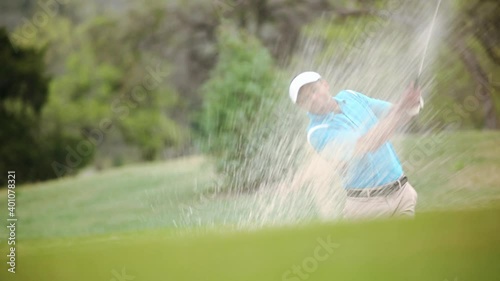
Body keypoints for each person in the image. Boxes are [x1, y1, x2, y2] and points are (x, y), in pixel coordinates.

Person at [289, 71, 423, 220]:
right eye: (306, 98)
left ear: (325, 85)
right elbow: (367, 144)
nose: (313, 98)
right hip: (368, 207)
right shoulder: (316, 132)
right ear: (301, 106)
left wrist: (412, 105)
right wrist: (402, 107)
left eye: (314, 90)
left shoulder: (350, 96)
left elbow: (394, 113)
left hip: (402, 194)